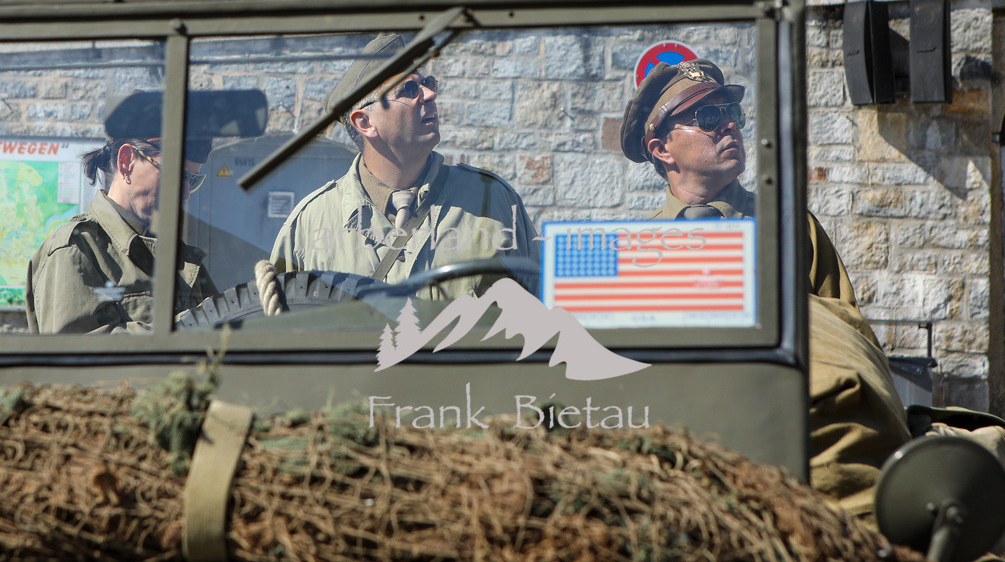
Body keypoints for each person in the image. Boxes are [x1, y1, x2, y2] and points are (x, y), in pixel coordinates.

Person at [619, 58, 1005, 513]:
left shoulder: (787, 227)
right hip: (681, 447)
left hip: (787, 441)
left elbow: (846, 332)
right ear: (662, 149)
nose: (728, 125)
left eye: (732, 114)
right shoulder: (637, 249)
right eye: (707, 117)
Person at [270, 34, 539, 300]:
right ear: (364, 122)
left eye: (428, 84)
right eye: (409, 90)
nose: (431, 94)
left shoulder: (492, 202)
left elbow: (540, 314)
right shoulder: (309, 224)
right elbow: (277, 328)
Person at [25, 92, 218, 334]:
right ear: (127, 162)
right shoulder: (77, 250)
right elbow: (75, 360)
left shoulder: (175, 253)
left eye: (192, 179)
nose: (186, 193)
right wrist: (187, 328)